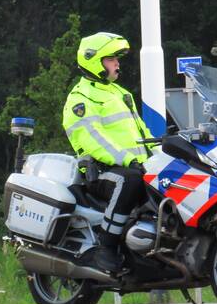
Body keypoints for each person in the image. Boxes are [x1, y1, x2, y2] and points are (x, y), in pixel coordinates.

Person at [63, 32, 152, 273]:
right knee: (130, 181)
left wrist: (162, 153)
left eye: (116, 59)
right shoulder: (80, 99)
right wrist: (128, 159)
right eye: (111, 59)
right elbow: (92, 139)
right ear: (94, 60)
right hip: (101, 172)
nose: (117, 63)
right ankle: (105, 247)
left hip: (135, 166)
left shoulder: (120, 93)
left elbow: (142, 132)